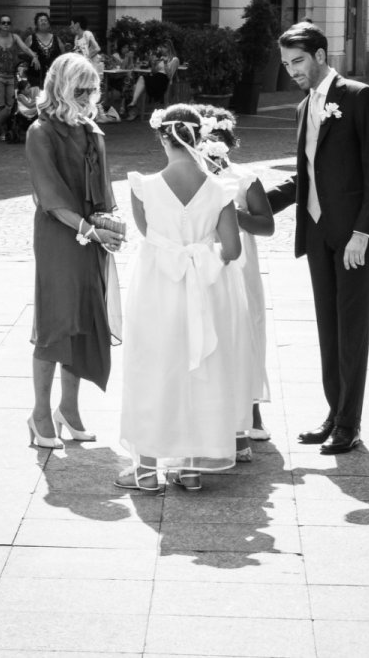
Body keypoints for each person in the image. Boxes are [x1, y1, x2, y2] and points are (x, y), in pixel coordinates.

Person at [267, 22, 369, 454]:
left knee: (352, 329)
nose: (292, 71)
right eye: (286, 64)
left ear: (321, 55)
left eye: (298, 61)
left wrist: (364, 232)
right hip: (317, 232)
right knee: (328, 327)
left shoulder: (360, 98)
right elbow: (304, 175)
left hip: (354, 235)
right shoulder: (304, 107)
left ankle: (349, 423)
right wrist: (255, 201)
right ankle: (333, 411)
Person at [116, 103, 242, 493]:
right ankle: (189, 468)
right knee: (198, 370)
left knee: (153, 367)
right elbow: (233, 248)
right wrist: (205, 257)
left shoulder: (143, 186)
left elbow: (149, 236)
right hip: (205, 287)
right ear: (198, 137)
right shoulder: (220, 189)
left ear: (162, 137)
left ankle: (147, 470)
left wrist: (179, 253)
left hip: (156, 287)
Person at [25, 53, 124, 449]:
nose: (86, 96)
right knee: (56, 321)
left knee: (84, 318)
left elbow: (104, 192)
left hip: (90, 236)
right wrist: (90, 230)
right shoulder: (40, 132)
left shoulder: (92, 131)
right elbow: (50, 198)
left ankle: (69, 408)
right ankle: (38, 413)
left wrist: (110, 225)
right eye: (78, 89)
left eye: (91, 89)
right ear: (59, 88)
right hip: (58, 237)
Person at [198, 106, 275, 447]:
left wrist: (232, 216)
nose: (210, 149)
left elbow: (267, 225)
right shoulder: (192, 179)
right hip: (205, 269)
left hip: (240, 269)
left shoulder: (244, 180)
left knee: (248, 332)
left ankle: (252, 410)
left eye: (215, 142)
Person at [125, 41, 179, 121]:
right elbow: (153, 72)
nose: (161, 49)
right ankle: (134, 102)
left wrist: (165, 63)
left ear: (168, 48)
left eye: (163, 48)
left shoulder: (175, 59)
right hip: (155, 77)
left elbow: (170, 75)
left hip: (163, 80)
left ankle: (134, 109)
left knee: (138, 84)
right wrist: (153, 64)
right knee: (139, 80)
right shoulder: (161, 58)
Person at [25, 12, 64, 84]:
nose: (43, 22)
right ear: (36, 24)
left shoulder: (56, 39)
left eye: (45, 20)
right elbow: (23, 54)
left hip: (53, 79)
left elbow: (63, 56)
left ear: (49, 24)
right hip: (35, 78)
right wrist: (33, 56)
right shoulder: (31, 38)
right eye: (41, 20)